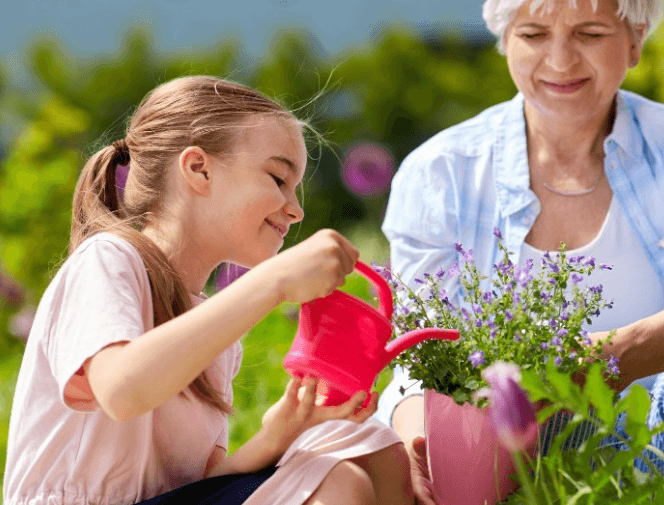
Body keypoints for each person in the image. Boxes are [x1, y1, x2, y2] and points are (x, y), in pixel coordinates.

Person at [375, 0, 664, 503]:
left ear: (635, 41)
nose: (560, 61)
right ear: (504, 43)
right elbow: (421, 357)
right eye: (533, 35)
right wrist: (417, 445)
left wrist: (607, 359)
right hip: (518, 453)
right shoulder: (441, 173)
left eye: (589, 34)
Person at [3, 76, 414, 505]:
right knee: (340, 485)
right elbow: (122, 390)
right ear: (199, 169)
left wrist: (277, 435)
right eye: (277, 178)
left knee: (375, 450)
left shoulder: (213, 331)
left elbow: (199, 484)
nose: (296, 210)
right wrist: (272, 282)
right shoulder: (107, 259)